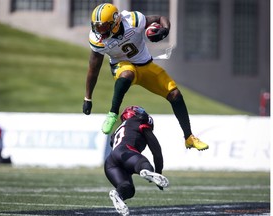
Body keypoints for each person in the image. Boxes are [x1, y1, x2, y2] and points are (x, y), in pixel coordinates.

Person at [83, 3, 209, 151]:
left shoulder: (132, 20)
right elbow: (93, 68)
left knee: (175, 94)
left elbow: (162, 18)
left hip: (145, 64)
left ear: (116, 22)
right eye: (97, 27)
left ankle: (189, 138)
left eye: (103, 27)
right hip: (122, 65)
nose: (100, 31)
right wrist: (88, 98)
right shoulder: (98, 39)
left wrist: (164, 30)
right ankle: (113, 113)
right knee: (127, 73)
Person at [104, 105, 169, 216]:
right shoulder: (139, 122)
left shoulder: (118, 130)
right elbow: (156, 151)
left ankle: (117, 194)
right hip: (127, 152)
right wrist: (157, 172)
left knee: (127, 188)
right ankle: (145, 171)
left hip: (110, 162)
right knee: (143, 164)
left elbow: (113, 143)